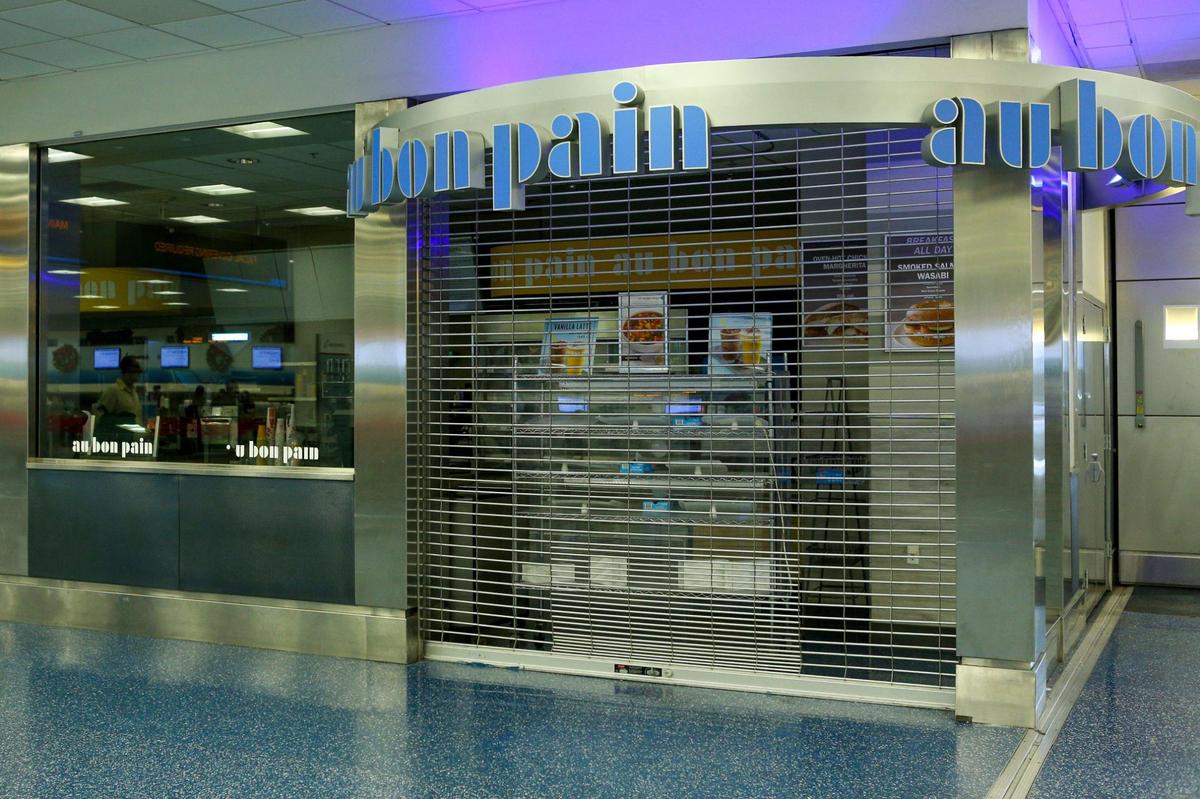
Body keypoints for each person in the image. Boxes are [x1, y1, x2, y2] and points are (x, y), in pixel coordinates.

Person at [97, 356, 143, 424]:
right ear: (129, 372)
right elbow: (100, 418)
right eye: (137, 372)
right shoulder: (113, 391)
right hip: (119, 434)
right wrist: (119, 419)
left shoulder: (133, 392)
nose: (138, 375)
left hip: (134, 434)